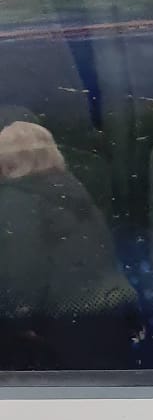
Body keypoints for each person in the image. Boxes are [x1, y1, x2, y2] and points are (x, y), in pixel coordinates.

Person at [0, 107, 139, 370]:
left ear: (9, 161)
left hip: (63, 330)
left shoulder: (17, 199)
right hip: (111, 315)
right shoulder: (71, 190)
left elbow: (19, 273)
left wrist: (14, 324)